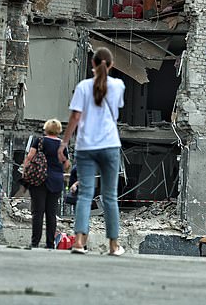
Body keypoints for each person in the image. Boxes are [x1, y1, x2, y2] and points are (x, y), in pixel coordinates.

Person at [58, 47, 125, 256]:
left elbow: (75, 118)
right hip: (110, 145)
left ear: (92, 64)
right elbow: (115, 112)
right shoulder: (119, 85)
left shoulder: (83, 87)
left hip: (86, 146)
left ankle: (78, 242)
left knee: (85, 194)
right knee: (110, 197)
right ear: (111, 65)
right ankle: (114, 245)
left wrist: (64, 143)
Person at [23, 119, 70, 248]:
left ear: (46, 128)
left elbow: (30, 157)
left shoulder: (39, 141)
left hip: (39, 180)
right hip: (56, 181)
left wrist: (25, 172)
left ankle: (35, 242)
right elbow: (66, 165)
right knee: (51, 213)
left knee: (38, 212)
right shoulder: (62, 145)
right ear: (59, 130)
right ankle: (50, 244)